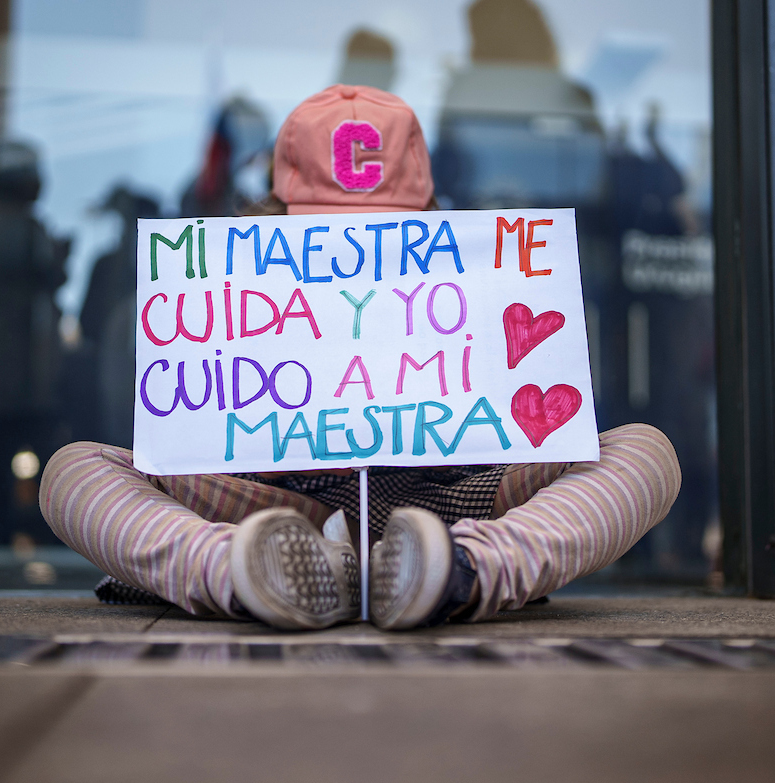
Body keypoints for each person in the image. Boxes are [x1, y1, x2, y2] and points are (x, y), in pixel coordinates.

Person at [39, 85, 681, 630]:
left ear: (434, 218)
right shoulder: (245, 288)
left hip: (447, 506)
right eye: (325, 232)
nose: (358, 253)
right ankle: (238, 574)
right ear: (272, 218)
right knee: (75, 471)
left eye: (386, 231)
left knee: (644, 452)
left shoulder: (474, 283)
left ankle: (461, 576)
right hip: (279, 516)